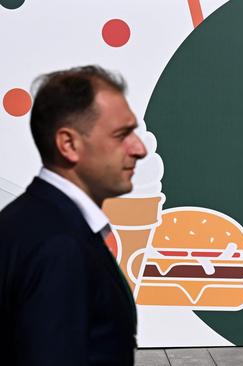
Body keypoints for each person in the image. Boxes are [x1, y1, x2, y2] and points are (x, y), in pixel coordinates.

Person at [0, 66, 146, 365]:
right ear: (68, 144)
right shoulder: (60, 248)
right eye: (122, 134)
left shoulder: (21, 221)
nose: (139, 149)